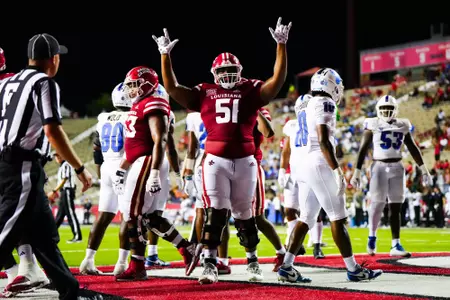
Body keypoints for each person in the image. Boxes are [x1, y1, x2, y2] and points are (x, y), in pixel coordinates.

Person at [153, 17, 292, 284]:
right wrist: (164, 55)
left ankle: (252, 261)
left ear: (239, 70)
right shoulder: (204, 91)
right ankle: (210, 263)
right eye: (223, 70)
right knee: (215, 212)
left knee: (245, 215)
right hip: (215, 160)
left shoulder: (250, 88)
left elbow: (278, 80)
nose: (227, 74)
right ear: (214, 73)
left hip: (245, 161)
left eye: (231, 69)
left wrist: (281, 46)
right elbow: (171, 87)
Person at [0, 33, 94, 299]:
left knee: (44, 233)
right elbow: (52, 129)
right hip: (21, 165)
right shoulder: (44, 82)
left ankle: (69, 289)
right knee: (6, 231)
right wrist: (79, 167)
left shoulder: (9, 83)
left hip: (10, 162)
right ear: (54, 58)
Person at [277, 68, 383, 283]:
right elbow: (324, 140)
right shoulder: (325, 103)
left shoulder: (307, 105)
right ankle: (353, 269)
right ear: (331, 85)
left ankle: (287, 265)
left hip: (305, 164)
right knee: (338, 217)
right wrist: (336, 170)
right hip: (319, 161)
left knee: (306, 217)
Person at [112, 66, 196, 281]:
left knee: (131, 215)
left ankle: (137, 265)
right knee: (149, 218)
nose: (130, 89)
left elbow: (161, 141)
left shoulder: (153, 102)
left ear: (148, 83)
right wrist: (122, 169)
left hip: (148, 162)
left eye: (134, 84)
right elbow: (134, 144)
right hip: (141, 161)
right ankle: (186, 248)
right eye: (129, 85)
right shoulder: (139, 104)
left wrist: (155, 173)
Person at [351, 95, 433, 257]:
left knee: (396, 206)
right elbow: (363, 148)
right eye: (383, 109)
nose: (387, 112)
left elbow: (412, 147)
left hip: (397, 166)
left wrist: (424, 169)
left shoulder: (403, 124)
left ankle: (395, 244)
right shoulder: (373, 123)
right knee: (377, 203)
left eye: (389, 109)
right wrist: (357, 171)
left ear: (395, 110)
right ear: (378, 110)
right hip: (379, 166)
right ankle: (372, 235)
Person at [79, 82, 132, 276]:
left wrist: (100, 172)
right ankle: (122, 263)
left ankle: (88, 260)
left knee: (104, 215)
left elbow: (96, 149)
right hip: (125, 166)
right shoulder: (132, 116)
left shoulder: (103, 118)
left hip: (108, 166)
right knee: (128, 216)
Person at [183, 111, 232, 275]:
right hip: (222, 159)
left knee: (200, 210)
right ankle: (222, 259)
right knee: (222, 211)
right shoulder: (221, 108)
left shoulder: (194, 117)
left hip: (201, 163)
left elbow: (191, 149)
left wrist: (188, 174)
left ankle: (205, 255)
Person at [280, 97, 325, 259]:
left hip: (311, 170)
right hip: (294, 173)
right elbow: (286, 150)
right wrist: (282, 170)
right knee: (289, 210)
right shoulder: (292, 125)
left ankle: (317, 244)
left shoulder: (317, 122)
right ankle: (295, 244)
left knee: (314, 211)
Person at [145, 110, 183, 268]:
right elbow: (171, 148)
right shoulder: (163, 119)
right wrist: (178, 173)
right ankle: (184, 247)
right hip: (156, 171)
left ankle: (143, 256)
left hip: (144, 169)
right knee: (154, 217)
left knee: (139, 216)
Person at [252, 107, 287, 271]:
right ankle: (219, 260)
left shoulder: (258, 108)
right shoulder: (224, 100)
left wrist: (253, 108)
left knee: (258, 217)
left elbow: (267, 132)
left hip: (249, 164)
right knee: (222, 214)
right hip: (226, 164)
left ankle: (282, 253)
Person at [51, 152, 82, 243]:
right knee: (60, 215)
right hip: (64, 191)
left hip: (67, 190)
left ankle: (77, 236)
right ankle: (51, 235)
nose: (57, 158)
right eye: (56, 156)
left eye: (59, 155)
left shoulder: (66, 164)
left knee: (70, 213)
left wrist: (54, 190)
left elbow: (65, 178)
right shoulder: (62, 166)